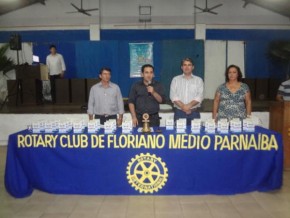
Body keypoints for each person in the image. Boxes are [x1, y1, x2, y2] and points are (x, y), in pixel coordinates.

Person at [170, 58, 204, 126]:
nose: (187, 67)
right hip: (179, 113)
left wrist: (188, 106)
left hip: (194, 113)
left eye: (189, 65)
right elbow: (173, 96)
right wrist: (184, 107)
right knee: (179, 135)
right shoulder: (175, 79)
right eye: (185, 65)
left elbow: (199, 96)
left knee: (195, 135)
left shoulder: (199, 80)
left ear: (193, 67)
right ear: (181, 67)